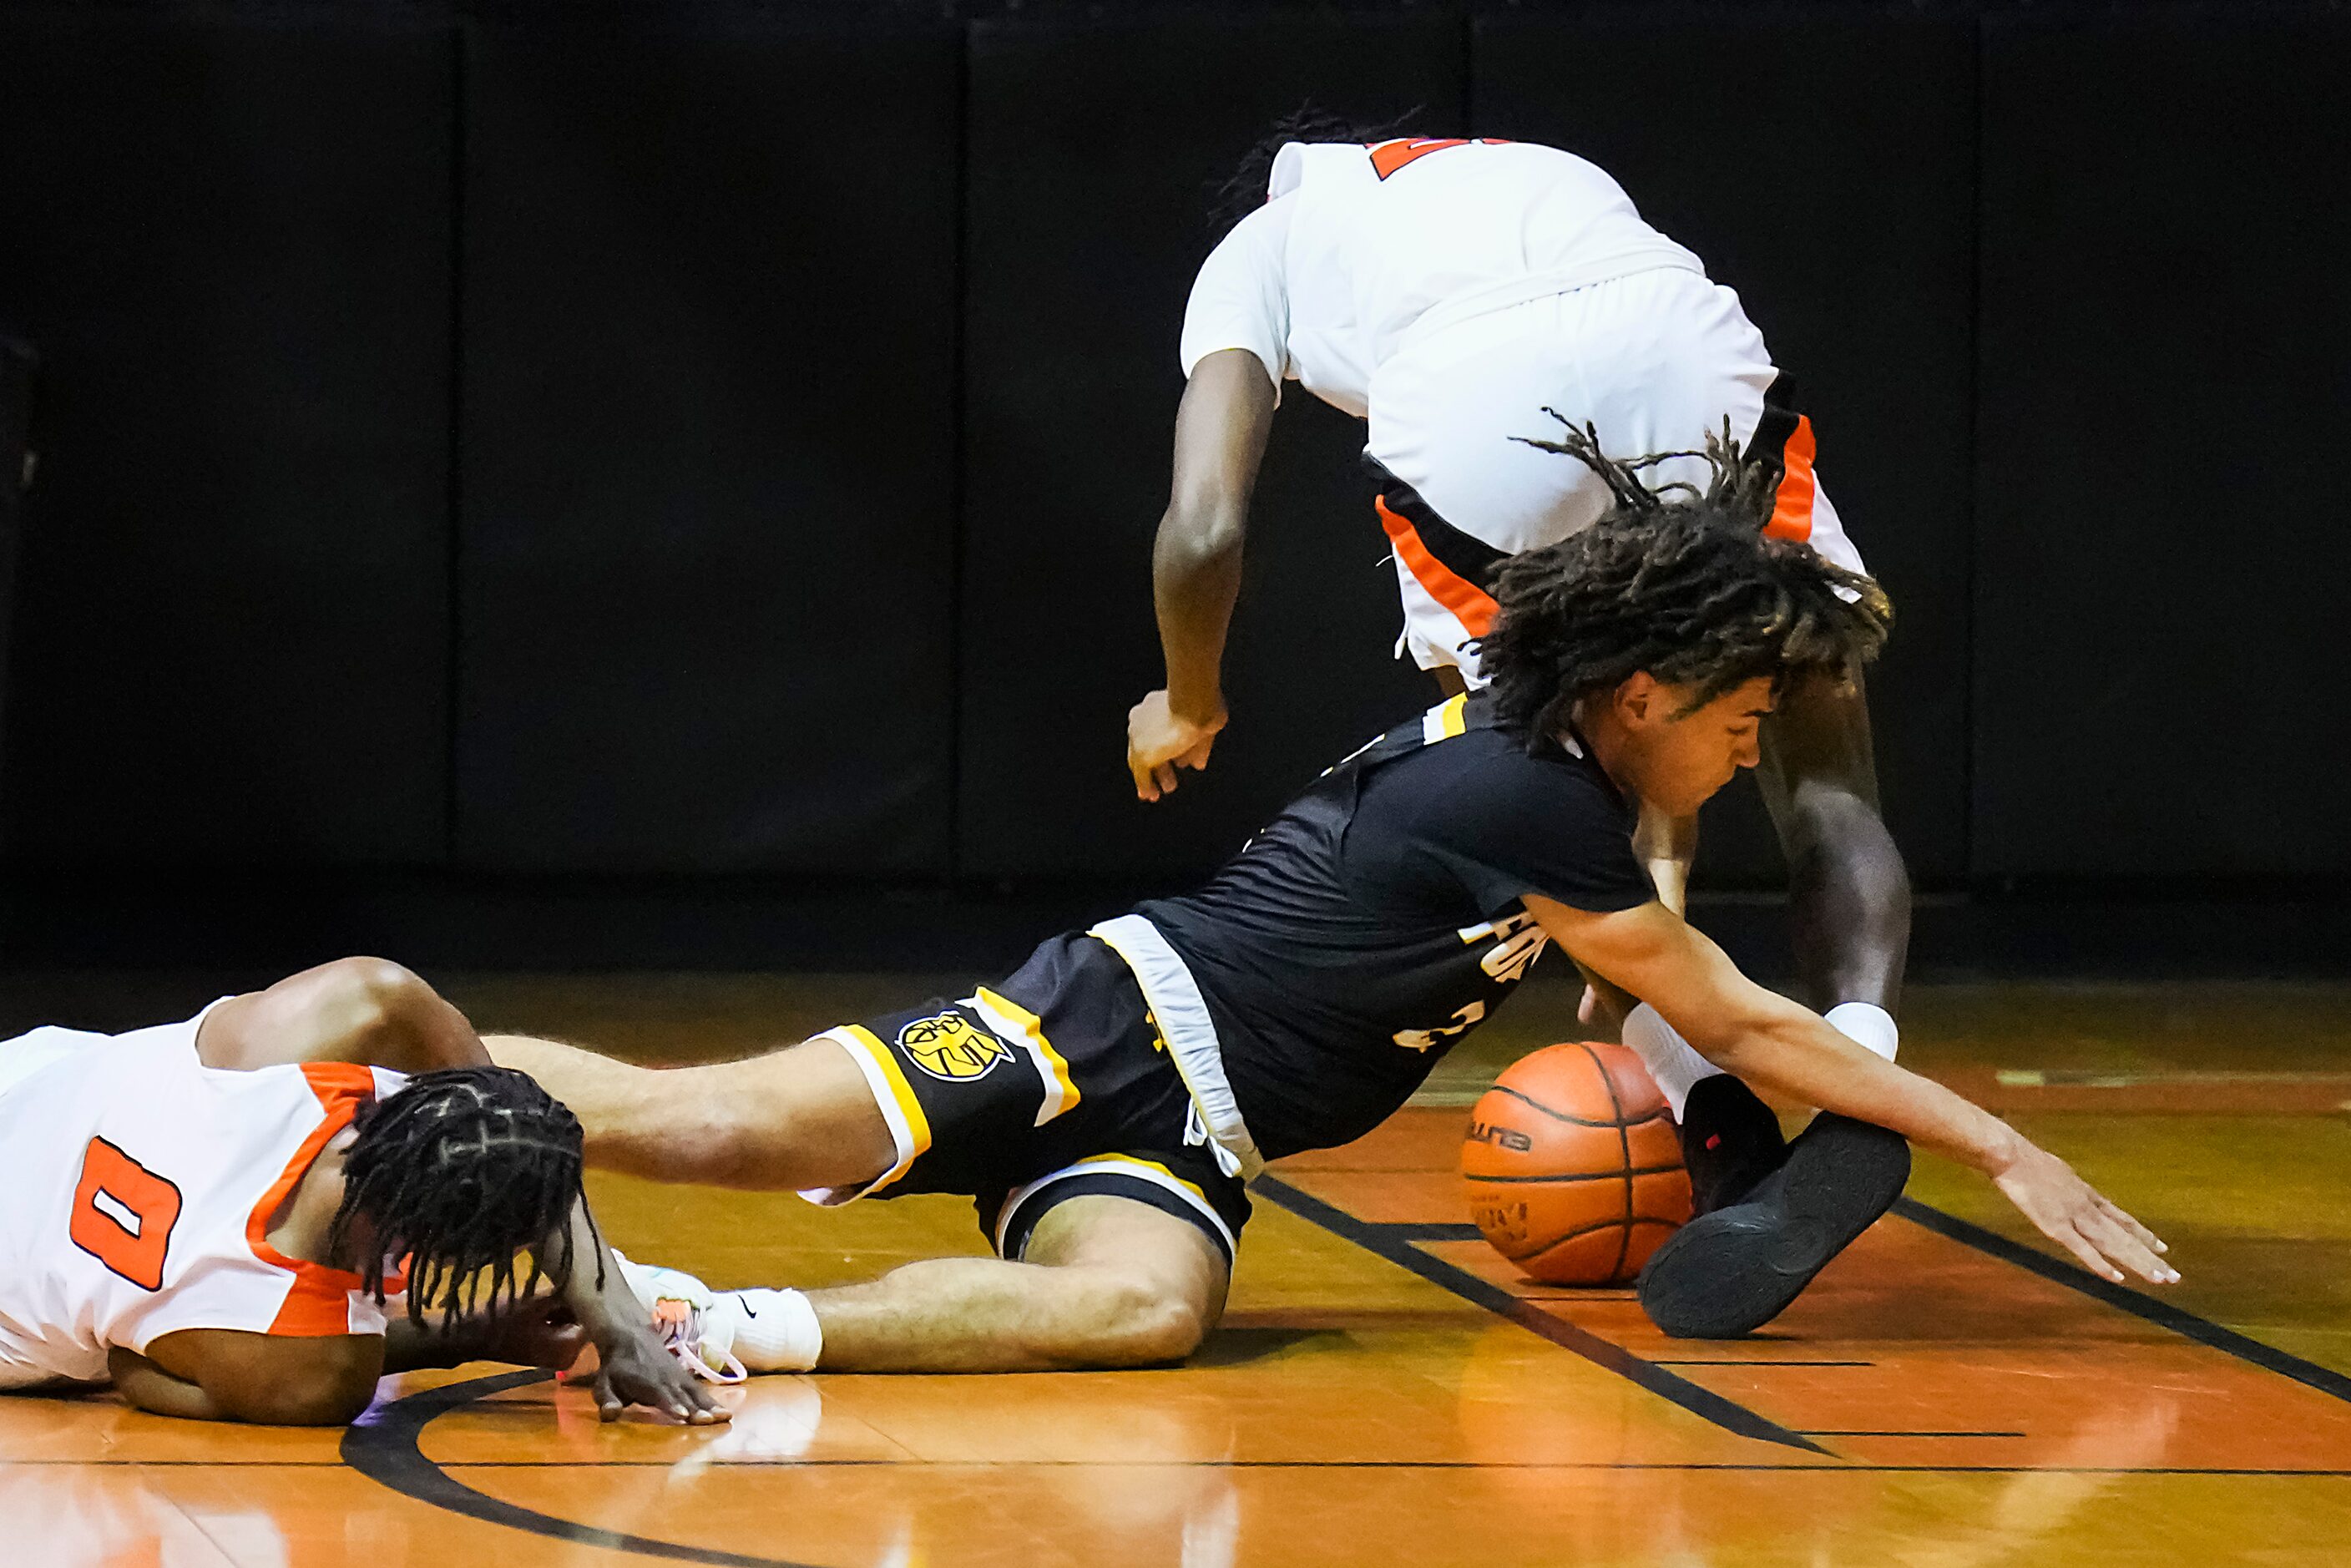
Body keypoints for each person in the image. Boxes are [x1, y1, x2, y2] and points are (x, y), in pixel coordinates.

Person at [488, 432, 2175, 1373]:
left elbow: (1681, 972)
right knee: (708, 1130)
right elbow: (1736, 1014)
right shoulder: (1527, 789)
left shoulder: (1556, 767)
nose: (1753, 755)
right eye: (1744, 721)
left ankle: (712, 1324)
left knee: (1145, 1312)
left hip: (1198, 1133)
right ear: (1649, 692)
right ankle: (357, 1085)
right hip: (1109, 1027)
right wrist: (2001, 1143)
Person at [1124, 124, 1912, 1298]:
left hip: (1472, 391)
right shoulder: (1528, 166)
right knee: (1825, 773)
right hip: (1678, 339)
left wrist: (1184, 701)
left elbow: (1204, 534)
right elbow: (1661, 655)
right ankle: (1859, 1075)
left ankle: (1711, 1114)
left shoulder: (1262, 246)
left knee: (1534, 806)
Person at [0, 957, 731, 1426]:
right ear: (430, 1250)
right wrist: (473, 1332)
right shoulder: (310, 1372)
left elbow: (506, 1108)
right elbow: (135, 1370)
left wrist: (619, 1318)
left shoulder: (355, 1007)